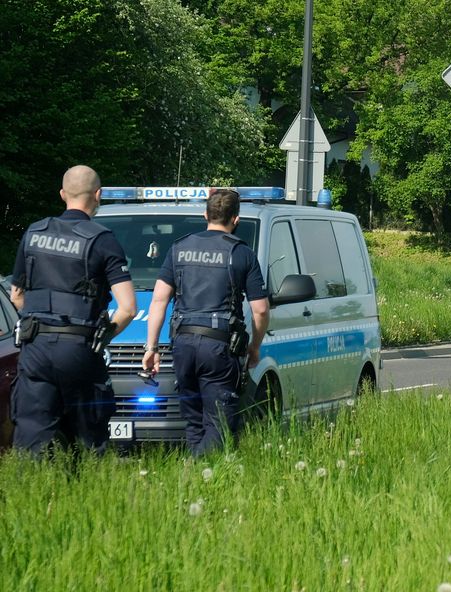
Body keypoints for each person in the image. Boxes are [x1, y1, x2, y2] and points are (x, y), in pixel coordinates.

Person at [9, 165, 137, 457]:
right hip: (79, 348)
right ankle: (83, 490)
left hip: (36, 346)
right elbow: (128, 308)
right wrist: (102, 336)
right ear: (98, 195)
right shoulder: (102, 239)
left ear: (62, 194)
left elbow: (17, 294)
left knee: (33, 434)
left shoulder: (34, 232)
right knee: (88, 438)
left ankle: (35, 492)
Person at [142, 189, 269, 456]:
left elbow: (159, 301)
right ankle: (203, 472)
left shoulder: (179, 248)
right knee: (220, 421)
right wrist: (254, 348)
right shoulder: (241, 253)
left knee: (194, 420)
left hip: (183, 344)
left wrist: (151, 348)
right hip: (218, 348)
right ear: (236, 219)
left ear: (205, 215)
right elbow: (260, 310)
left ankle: (194, 473)